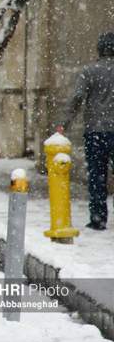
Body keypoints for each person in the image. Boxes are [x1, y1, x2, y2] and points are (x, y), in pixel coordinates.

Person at [58, 32, 114, 230]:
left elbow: (77, 98)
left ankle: (98, 218)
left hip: (95, 131)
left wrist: (64, 123)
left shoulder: (89, 71)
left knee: (97, 175)